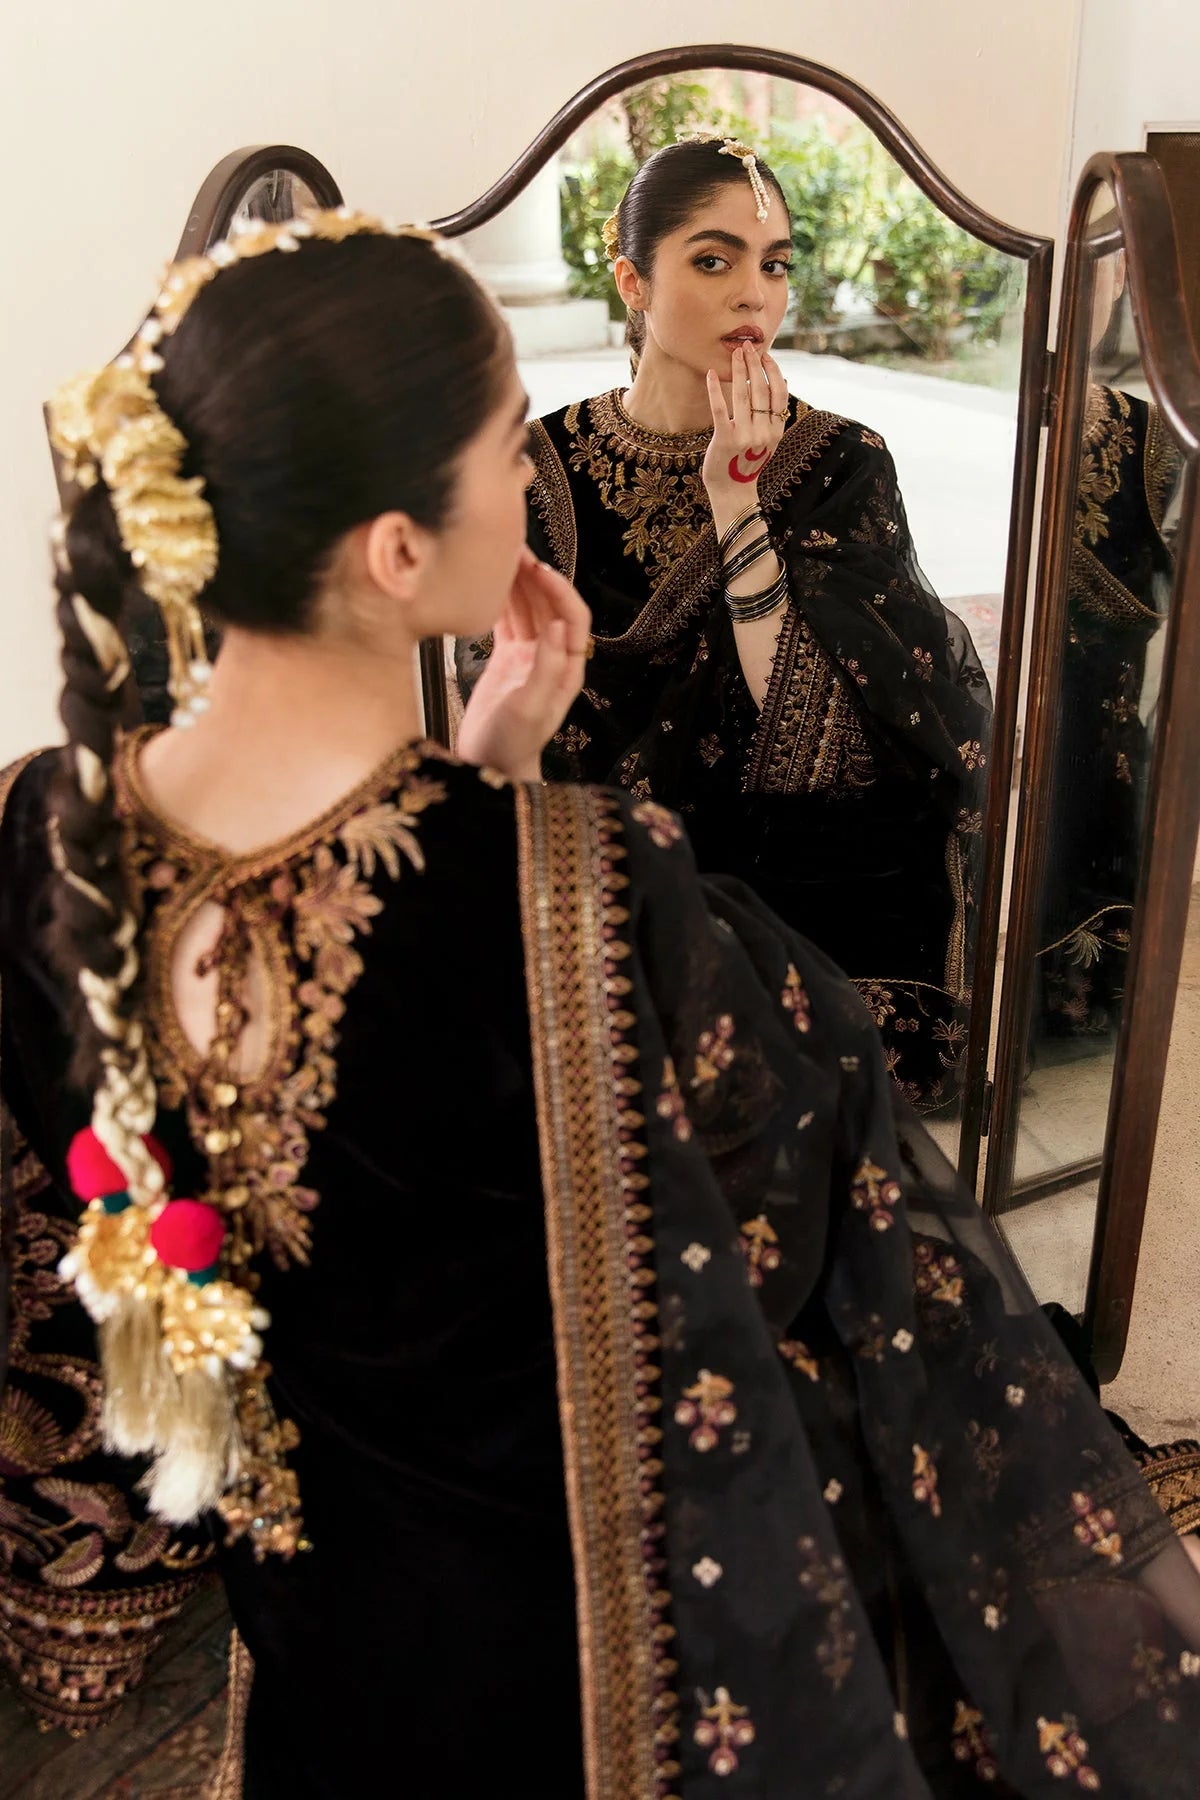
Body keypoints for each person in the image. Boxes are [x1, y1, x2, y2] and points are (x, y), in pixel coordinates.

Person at [1, 206, 1199, 1800]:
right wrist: (504, 816)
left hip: (305, 1593)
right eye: (507, 444)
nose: (531, 474)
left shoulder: (41, 830)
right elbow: (769, 1245)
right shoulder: (577, 884)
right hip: (561, 1640)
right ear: (400, 552)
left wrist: (483, 767)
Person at [459, 135, 993, 1114]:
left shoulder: (841, 461)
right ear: (633, 281)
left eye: (775, 264)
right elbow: (497, 710)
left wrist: (737, 501)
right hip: (599, 862)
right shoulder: (537, 464)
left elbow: (819, 746)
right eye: (714, 260)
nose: (754, 295)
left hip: (792, 855)